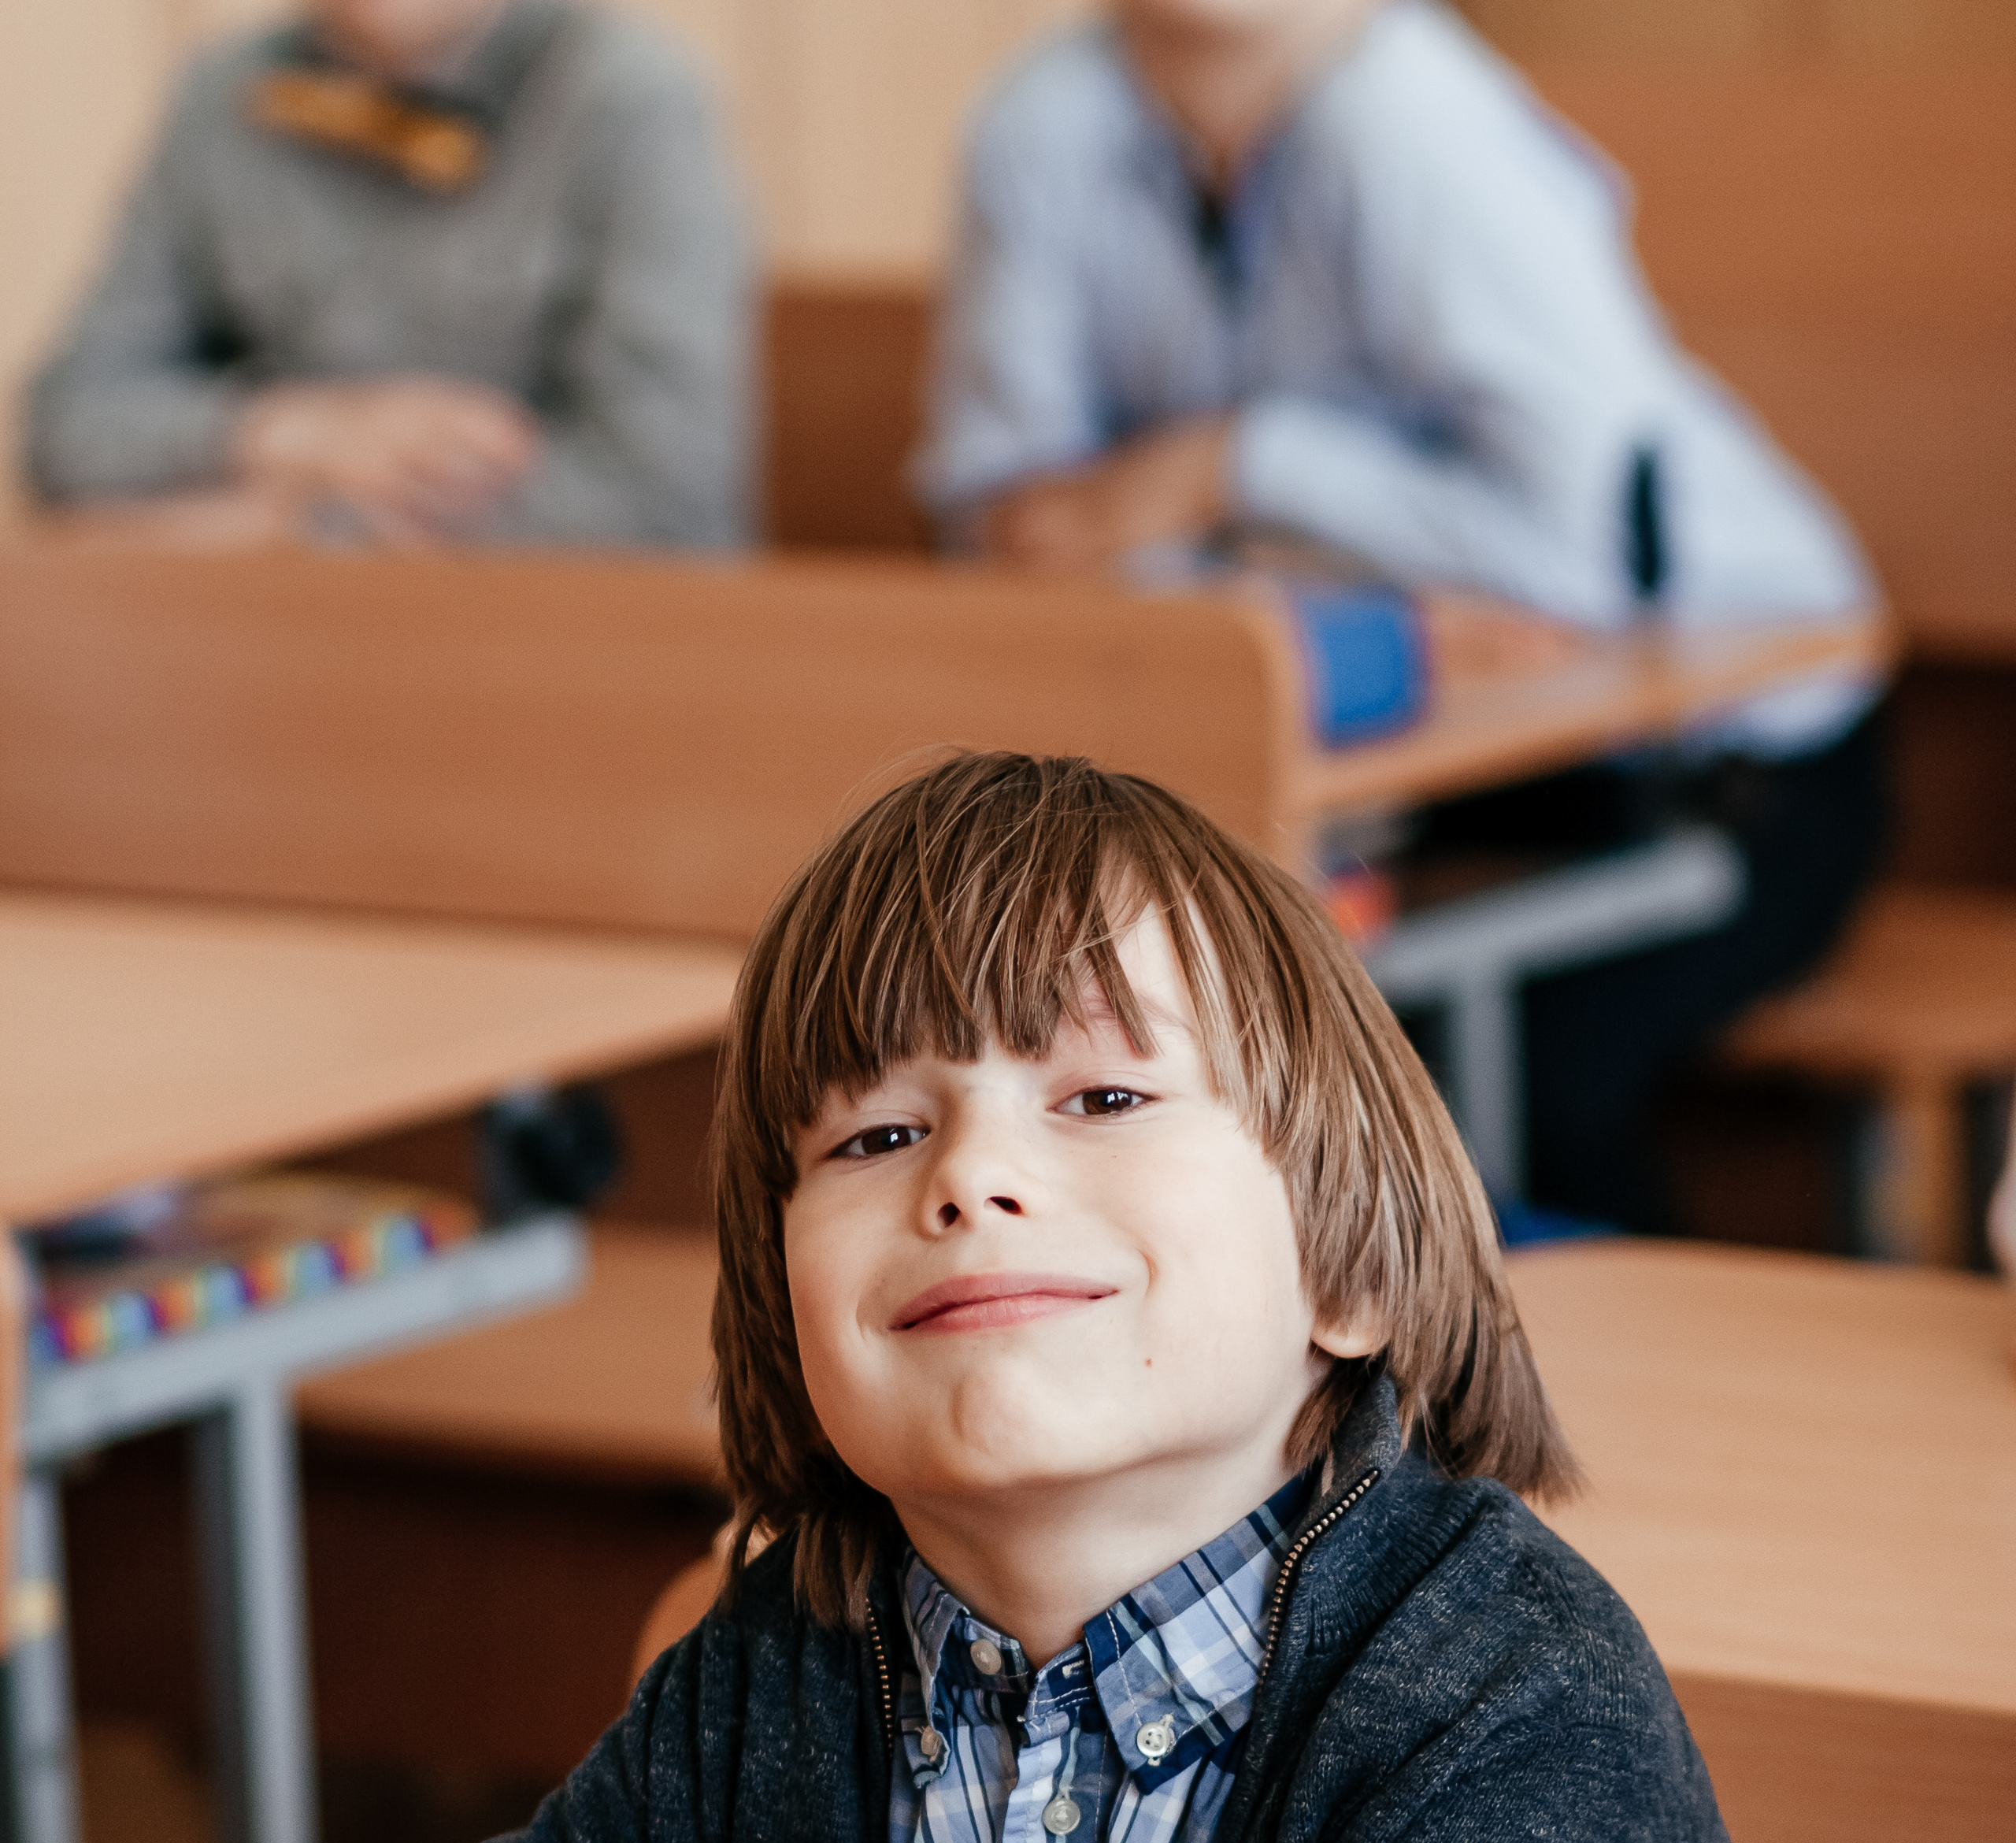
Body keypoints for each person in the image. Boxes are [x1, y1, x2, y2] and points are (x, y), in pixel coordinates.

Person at [173, 751, 1859, 1843]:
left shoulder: (1510, 1720)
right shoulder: (780, 1678)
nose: (969, 1178)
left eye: (1103, 1097)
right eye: (875, 1134)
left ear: (1346, 1269)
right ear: (788, 1323)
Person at [917, 0, 1888, 1232]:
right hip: (1393, 747)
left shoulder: (1417, 123)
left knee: (1468, 1081)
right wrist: (1373, 626)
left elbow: (1575, 569)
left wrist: (1234, 467)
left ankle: (1597, 1411)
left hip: (1730, 759)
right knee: (1159, 1029)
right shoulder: (1040, 126)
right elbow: (1015, 533)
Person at [20, 0, 751, 550]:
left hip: (576, 650)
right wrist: (291, 432)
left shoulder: (630, 98)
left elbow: (663, 493)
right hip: (280, 659)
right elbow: (64, 429)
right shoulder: (222, 95)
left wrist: (292, 525)